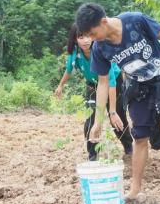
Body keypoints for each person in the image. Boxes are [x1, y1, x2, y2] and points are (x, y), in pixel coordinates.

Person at [75, 3, 160, 203]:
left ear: (103, 22)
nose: (92, 40)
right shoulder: (100, 48)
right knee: (140, 136)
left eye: (93, 34)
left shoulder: (135, 21)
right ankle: (135, 188)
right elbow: (103, 83)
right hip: (139, 88)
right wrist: (98, 121)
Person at [55, 24, 133, 160]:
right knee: (91, 118)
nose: (85, 40)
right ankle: (93, 155)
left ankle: (128, 146)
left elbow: (111, 82)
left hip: (114, 83)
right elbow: (68, 70)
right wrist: (61, 85)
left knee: (117, 116)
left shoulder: (101, 50)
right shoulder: (75, 54)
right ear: (75, 40)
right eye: (81, 37)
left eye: (88, 36)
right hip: (92, 85)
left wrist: (112, 111)